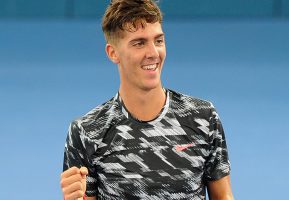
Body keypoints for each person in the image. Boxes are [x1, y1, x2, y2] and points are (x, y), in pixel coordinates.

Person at [60, 0, 234, 199]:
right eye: (139, 43)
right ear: (113, 53)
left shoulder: (203, 118)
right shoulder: (87, 132)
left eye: (158, 41)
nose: (153, 53)